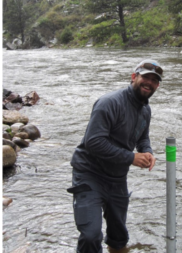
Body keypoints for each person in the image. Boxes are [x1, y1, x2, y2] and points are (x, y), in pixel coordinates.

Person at [68, 59, 164, 253]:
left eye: (154, 80)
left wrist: (147, 152)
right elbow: (93, 142)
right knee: (91, 235)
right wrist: (131, 158)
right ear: (134, 77)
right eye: (146, 77)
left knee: (119, 236)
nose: (149, 83)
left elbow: (142, 137)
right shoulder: (109, 103)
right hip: (89, 175)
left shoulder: (145, 109)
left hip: (117, 178)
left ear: (157, 85)